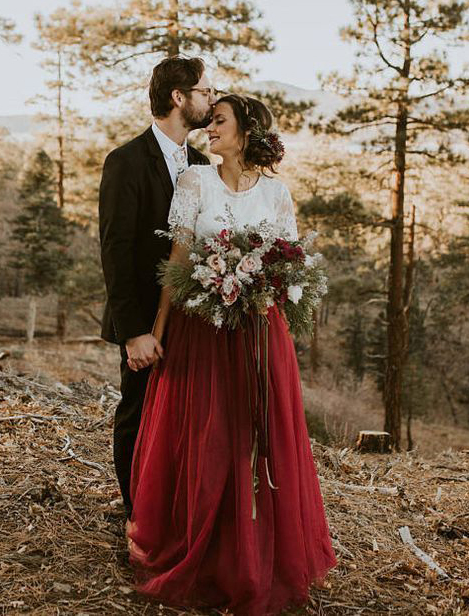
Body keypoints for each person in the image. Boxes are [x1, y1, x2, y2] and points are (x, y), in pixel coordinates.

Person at [126, 94, 338, 615]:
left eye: (219, 122)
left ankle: (254, 557)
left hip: (260, 336)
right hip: (201, 335)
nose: (209, 129)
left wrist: (261, 287)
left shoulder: (277, 194)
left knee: (255, 438)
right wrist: (155, 333)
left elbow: (291, 267)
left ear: (246, 132)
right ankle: (201, 548)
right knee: (207, 437)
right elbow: (177, 262)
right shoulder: (194, 182)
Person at [98, 56, 215, 519]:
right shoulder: (125, 162)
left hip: (193, 321)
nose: (211, 98)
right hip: (145, 321)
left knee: (182, 419)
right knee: (138, 413)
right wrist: (133, 332)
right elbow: (116, 251)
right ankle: (136, 516)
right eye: (205, 91)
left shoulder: (204, 166)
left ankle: (173, 512)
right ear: (178, 97)